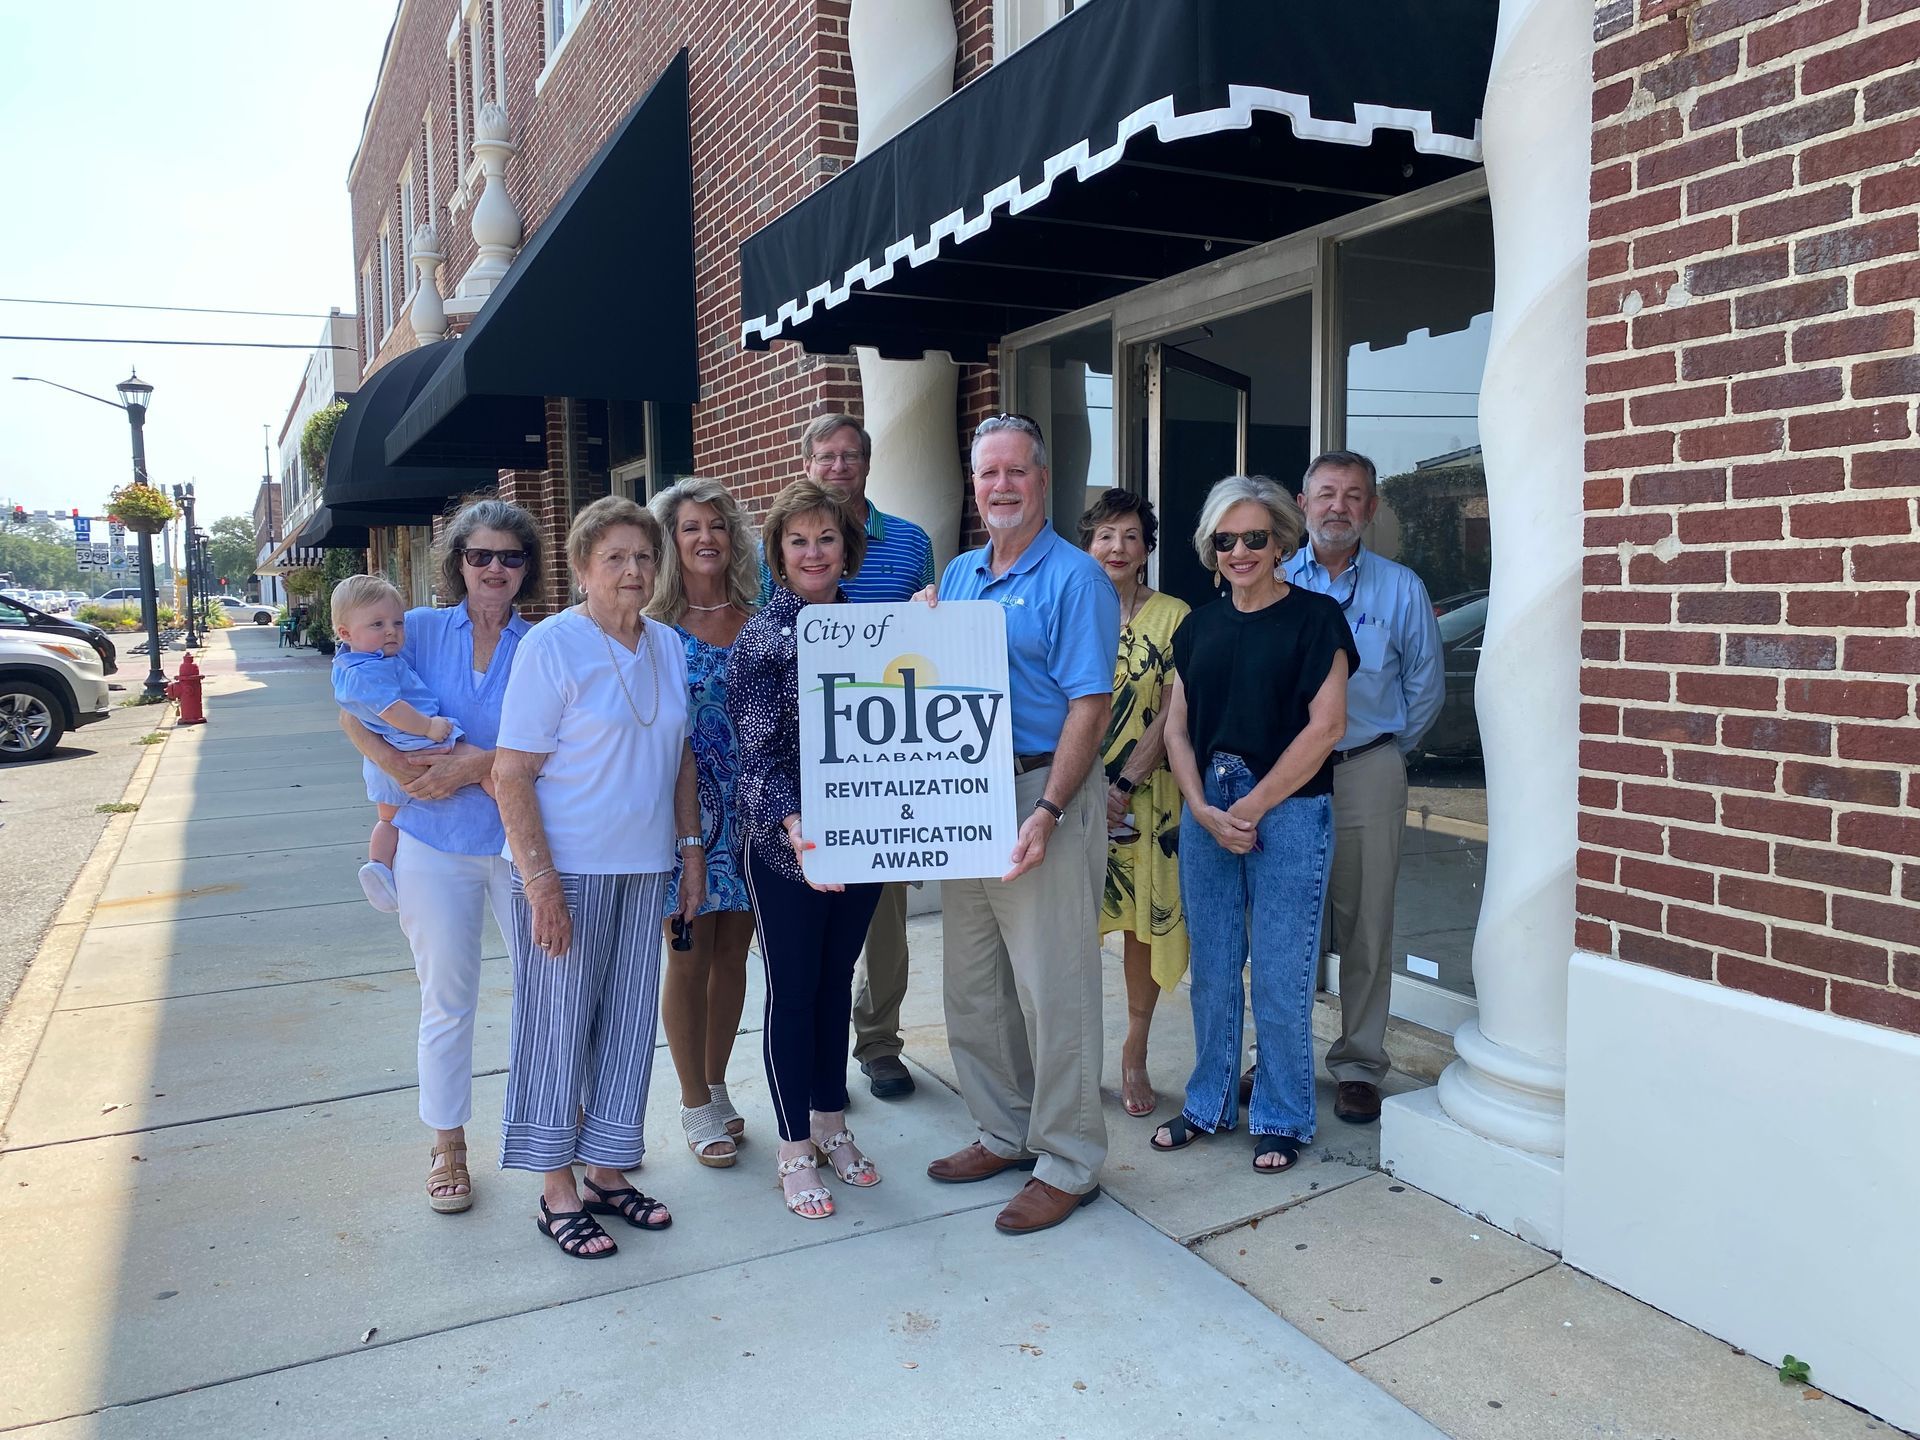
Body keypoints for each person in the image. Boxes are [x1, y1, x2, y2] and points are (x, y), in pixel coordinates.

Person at [918, 414, 1120, 1236]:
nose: (1000, 486)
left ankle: (1069, 1161)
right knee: (974, 984)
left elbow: (1090, 704)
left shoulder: (1076, 580)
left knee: (1054, 986)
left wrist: (1049, 809)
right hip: (967, 798)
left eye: (1016, 472)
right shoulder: (962, 574)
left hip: (1041, 793)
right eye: (987, 474)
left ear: (1043, 480)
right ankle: (1003, 1130)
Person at [493, 496, 704, 1259]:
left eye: (644, 556)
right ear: (583, 568)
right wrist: (539, 882)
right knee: (557, 1030)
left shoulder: (668, 646)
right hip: (567, 873)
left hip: (643, 868)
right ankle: (555, 1192)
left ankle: (608, 1172)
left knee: (624, 1028)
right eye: (613, 557)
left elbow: (678, 754)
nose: (632, 570)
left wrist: (689, 850)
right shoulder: (553, 646)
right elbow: (510, 775)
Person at [337, 499, 541, 1215]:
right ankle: (448, 1143)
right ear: (458, 562)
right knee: (447, 1001)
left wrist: (474, 763)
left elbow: (556, 747)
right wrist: (398, 775)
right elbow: (352, 707)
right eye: (479, 555)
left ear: (526, 568)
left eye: (510, 557)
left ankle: (559, 1136)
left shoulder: (541, 646)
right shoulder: (413, 631)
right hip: (431, 840)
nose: (494, 569)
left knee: (547, 994)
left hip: (521, 845)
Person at [1152, 475, 1356, 1174]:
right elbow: (1176, 729)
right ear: (1211, 548)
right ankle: (1208, 1102)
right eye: (1225, 539)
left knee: (1279, 972)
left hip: (1290, 809)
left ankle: (1281, 1114)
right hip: (1208, 806)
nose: (1240, 551)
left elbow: (1327, 726)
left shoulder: (1316, 617)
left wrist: (1254, 804)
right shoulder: (1197, 626)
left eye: (1255, 538)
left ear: (1280, 542)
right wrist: (1203, 808)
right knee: (1211, 971)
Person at [762, 414, 937, 1101]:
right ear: (808, 464)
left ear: (867, 465)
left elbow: (932, 638)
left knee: (885, 922)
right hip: (804, 773)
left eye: (850, 456)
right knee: (809, 957)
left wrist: (930, 609)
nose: (838, 465)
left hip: (883, 763)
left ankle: (880, 1042)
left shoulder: (911, 541)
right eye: (825, 455)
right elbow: (768, 625)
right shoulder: (779, 548)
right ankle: (807, 1094)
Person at [728, 479, 884, 1220]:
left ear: (845, 547)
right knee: (792, 992)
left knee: (836, 984)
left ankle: (831, 1124)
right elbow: (755, 760)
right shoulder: (762, 638)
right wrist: (794, 825)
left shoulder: (876, 631)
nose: (814, 552)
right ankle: (793, 1148)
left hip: (863, 839)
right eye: (799, 541)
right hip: (787, 848)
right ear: (778, 554)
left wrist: (931, 622)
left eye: (826, 538)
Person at [1282, 450, 1443, 1125]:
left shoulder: (1401, 589)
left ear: (1371, 509)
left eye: (1353, 496)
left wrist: (1380, 753)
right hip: (1285, 778)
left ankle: (1357, 1066)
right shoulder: (1269, 577)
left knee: (1367, 927)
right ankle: (1280, 1060)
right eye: (1326, 494)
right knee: (1286, 925)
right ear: (1302, 502)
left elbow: (1425, 690)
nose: (1338, 507)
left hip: (1368, 769)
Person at [646, 478, 758, 1168]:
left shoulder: (761, 614)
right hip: (682, 815)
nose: (706, 538)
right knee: (687, 956)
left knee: (732, 955)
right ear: (671, 540)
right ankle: (692, 1103)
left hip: (752, 813)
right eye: (690, 528)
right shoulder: (653, 627)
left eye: (716, 526)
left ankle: (716, 1084)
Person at [1080, 490, 1189, 1119]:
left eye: (1130, 535)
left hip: (1148, 801)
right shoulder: (1070, 608)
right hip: (1070, 794)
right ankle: (1078, 1059)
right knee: (1074, 929)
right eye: (1104, 535)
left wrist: (1122, 785)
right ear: (1087, 544)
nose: (1116, 547)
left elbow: (1176, 708)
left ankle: (1135, 1053)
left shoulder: (1175, 615)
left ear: (1146, 547)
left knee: (1143, 928)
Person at [329, 574, 465, 914]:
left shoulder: (355, 663)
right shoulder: (369, 671)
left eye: (397, 623)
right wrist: (430, 727)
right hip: (413, 740)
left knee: (389, 820)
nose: (391, 631)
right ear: (345, 633)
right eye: (377, 624)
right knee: (485, 771)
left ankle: (379, 867)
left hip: (392, 752)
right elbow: (393, 710)